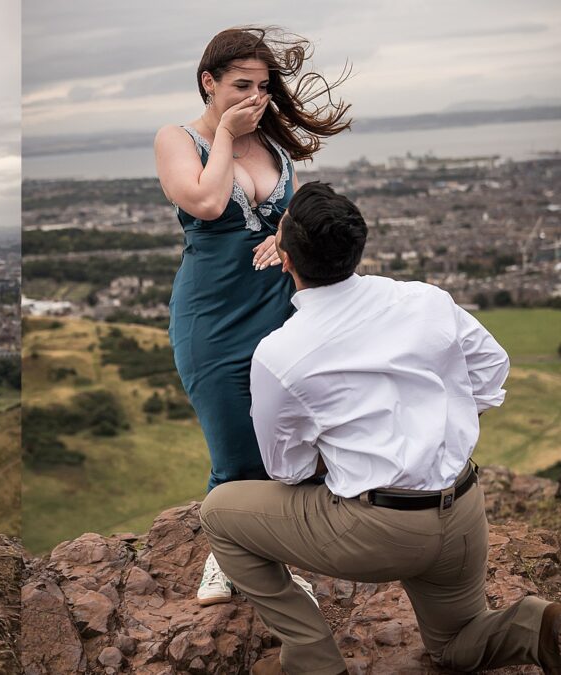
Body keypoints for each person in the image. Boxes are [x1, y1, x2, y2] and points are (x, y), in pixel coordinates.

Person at [198, 182, 561, 674]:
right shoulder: (425, 300)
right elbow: (492, 371)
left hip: (375, 532)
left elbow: (286, 469)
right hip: (462, 510)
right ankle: (542, 628)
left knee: (220, 511)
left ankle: (313, 660)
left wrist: (345, 450)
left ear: (285, 260)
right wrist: (433, 427)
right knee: (456, 644)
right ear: (355, 247)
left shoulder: (281, 354)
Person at [153, 26, 352, 604]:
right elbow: (208, 203)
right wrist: (226, 139)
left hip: (282, 308)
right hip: (210, 313)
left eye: (263, 87)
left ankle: (276, 559)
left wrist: (288, 233)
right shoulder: (177, 138)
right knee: (233, 445)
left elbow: (305, 216)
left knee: (287, 441)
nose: (255, 97)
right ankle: (227, 556)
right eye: (242, 85)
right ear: (207, 83)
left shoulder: (276, 148)